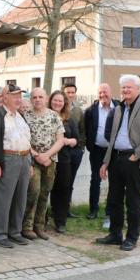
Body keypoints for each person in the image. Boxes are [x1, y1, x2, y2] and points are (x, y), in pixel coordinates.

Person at [97, 75, 140, 251]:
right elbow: (113, 138)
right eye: (123, 87)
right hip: (116, 159)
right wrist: (105, 162)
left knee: (132, 200)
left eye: (129, 88)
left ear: (138, 89)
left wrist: (136, 155)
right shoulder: (118, 109)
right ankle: (115, 234)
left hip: (133, 160)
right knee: (114, 199)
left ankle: (132, 237)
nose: (125, 90)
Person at [0, 85, 33, 248]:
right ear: (4, 97)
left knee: (20, 198)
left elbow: (27, 140)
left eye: (20, 95)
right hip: (7, 159)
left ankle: (15, 232)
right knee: (2, 199)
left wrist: (29, 163)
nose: (19, 99)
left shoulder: (20, 116)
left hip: (24, 159)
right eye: (15, 96)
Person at [22, 87, 65, 240]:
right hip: (32, 160)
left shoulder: (54, 116)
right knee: (33, 191)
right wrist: (36, 155)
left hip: (50, 160)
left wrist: (47, 155)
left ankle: (39, 227)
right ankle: (26, 227)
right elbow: (23, 140)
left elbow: (60, 140)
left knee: (44, 193)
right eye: (35, 97)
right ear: (31, 99)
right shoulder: (25, 116)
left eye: (41, 97)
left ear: (46, 99)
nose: (38, 100)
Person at [83, 83, 118, 227]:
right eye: (100, 93)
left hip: (114, 151)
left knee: (115, 181)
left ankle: (110, 211)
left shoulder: (119, 108)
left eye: (105, 92)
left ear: (111, 92)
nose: (103, 95)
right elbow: (86, 129)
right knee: (95, 179)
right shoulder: (91, 110)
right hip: (97, 150)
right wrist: (90, 146)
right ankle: (93, 210)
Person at [47, 90, 79, 234]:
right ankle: (42, 218)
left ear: (64, 103)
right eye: (55, 100)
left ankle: (61, 221)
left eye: (60, 101)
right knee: (45, 189)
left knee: (63, 189)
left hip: (64, 159)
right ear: (50, 101)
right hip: (46, 158)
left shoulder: (68, 119)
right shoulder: (44, 116)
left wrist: (66, 141)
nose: (58, 103)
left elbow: (76, 140)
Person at [62, 83, 85, 218]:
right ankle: (57, 209)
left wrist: (80, 148)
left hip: (76, 151)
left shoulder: (78, 111)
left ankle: (67, 209)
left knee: (70, 181)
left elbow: (83, 131)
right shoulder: (58, 108)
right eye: (67, 92)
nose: (70, 95)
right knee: (61, 182)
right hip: (61, 151)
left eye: (72, 92)